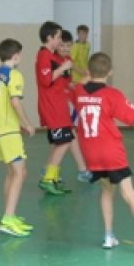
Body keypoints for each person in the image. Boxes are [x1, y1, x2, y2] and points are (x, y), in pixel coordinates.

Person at [74, 52, 134, 252]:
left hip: (91, 153)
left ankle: (108, 236)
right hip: (111, 152)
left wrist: (86, 76)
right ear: (110, 72)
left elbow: (81, 84)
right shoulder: (112, 94)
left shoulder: (78, 92)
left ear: (89, 71)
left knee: (107, 190)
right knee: (129, 194)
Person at [0, 39, 36, 237]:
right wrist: (27, 123)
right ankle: (7, 218)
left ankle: (10, 214)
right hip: (8, 132)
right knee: (19, 173)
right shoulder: (14, 74)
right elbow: (15, 102)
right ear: (15, 55)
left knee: (14, 173)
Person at [35, 21, 77, 195]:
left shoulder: (55, 57)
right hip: (52, 107)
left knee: (59, 143)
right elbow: (46, 80)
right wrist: (63, 68)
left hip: (60, 106)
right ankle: (47, 178)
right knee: (65, 141)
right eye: (58, 37)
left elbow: (63, 83)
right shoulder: (44, 56)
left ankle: (54, 178)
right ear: (49, 37)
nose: (60, 40)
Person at [59, 29, 92, 182]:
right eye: (62, 45)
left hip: (71, 93)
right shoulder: (59, 62)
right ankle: (81, 169)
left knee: (67, 135)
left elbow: (64, 79)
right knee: (69, 134)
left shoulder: (66, 59)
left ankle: (48, 170)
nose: (66, 48)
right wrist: (84, 76)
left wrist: (70, 84)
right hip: (61, 101)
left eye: (68, 45)